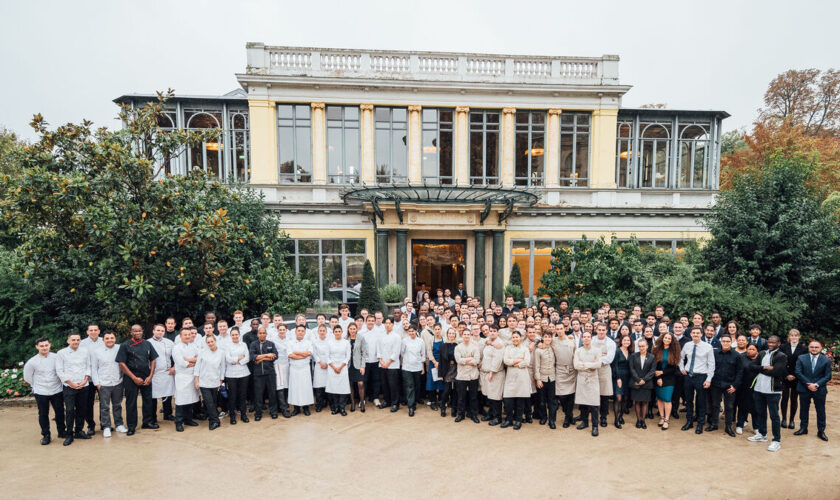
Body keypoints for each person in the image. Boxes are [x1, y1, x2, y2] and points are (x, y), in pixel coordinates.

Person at [116, 324, 159, 435]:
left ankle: (147, 422)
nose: (137, 333)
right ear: (131, 332)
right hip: (131, 377)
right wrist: (134, 378)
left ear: (142, 331)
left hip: (146, 375)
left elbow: (153, 360)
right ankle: (131, 426)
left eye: (139, 331)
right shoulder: (125, 345)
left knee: (148, 400)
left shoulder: (147, 344)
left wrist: (150, 376)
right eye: (135, 331)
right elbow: (121, 363)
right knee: (131, 402)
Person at [747, 335, 787, 452]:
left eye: (773, 342)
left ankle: (776, 440)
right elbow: (751, 366)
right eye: (769, 342)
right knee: (760, 412)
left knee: (774, 415)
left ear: (778, 344)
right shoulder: (762, 353)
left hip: (773, 390)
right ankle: (762, 434)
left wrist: (762, 369)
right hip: (759, 389)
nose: (770, 344)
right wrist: (765, 367)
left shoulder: (782, 356)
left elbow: (777, 371)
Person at [23, 337, 65, 445]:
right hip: (41, 391)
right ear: (37, 347)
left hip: (57, 389)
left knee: (60, 412)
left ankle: (62, 431)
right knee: (43, 414)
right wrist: (36, 385)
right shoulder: (32, 362)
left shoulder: (56, 357)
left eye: (46, 345)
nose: (44, 348)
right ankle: (46, 435)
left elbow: (61, 371)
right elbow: (27, 377)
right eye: (41, 346)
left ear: (49, 345)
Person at [55, 332, 92, 446]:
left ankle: (79, 431)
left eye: (78, 340)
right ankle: (69, 433)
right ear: (68, 341)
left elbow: (88, 366)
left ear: (80, 340)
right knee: (70, 410)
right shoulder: (61, 353)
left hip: (83, 385)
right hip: (69, 387)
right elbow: (59, 371)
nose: (76, 342)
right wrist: (71, 383)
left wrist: (85, 380)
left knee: (82, 409)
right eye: (73, 340)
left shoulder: (85, 351)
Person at [679, 326, 715, 434]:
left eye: (697, 333)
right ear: (690, 334)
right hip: (689, 376)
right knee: (688, 400)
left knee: (701, 401)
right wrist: (681, 368)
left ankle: (700, 423)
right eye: (693, 333)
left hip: (701, 376)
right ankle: (689, 421)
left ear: (701, 334)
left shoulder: (707, 347)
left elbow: (711, 364)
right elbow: (680, 357)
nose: (695, 334)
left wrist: (708, 379)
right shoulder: (687, 345)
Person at [794, 340, 831, 441]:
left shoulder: (826, 360)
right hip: (804, 388)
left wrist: (816, 384)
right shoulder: (801, 358)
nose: (814, 349)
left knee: (821, 410)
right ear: (808, 348)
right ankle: (803, 428)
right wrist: (809, 384)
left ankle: (821, 431)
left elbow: (828, 376)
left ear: (820, 348)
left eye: (816, 347)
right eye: (812, 347)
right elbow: (798, 372)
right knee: (803, 409)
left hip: (819, 389)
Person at [90, 331, 126, 438]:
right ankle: (106, 427)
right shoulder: (97, 352)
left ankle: (119, 424)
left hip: (117, 382)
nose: (110, 340)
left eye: (112, 338)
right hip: (103, 383)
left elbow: (123, 364)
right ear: (103, 339)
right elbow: (94, 369)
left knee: (117, 405)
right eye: (107, 338)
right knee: (104, 407)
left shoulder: (120, 348)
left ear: (115, 338)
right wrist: (97, 384)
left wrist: (122, 379)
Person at [709, 335, 743, 436]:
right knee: (715, 405)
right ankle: (714, 424)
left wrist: (735, 386)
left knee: (729, 406)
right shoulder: (714, 353)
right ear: (720, 342)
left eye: (728, 341)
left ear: (731, 342)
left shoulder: (736, 355)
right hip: (716, 384)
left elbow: (740, 372)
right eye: (723, 341)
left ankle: (728, 426)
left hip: (730, 385)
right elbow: (710, 366)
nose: (725, 343)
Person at [573, 331, 602, 436]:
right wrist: (591, 364)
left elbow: (598, 364)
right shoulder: (578, 351)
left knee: (594, 404)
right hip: (581, 378)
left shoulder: (597, 350)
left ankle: (595, 426)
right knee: (583, 402)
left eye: (588, 337)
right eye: (584, 337)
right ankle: (585, 422)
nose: (586, 338)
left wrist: (584, 364)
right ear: (582, 339)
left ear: (591, 338)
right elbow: (576, 365)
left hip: (593, 379)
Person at [195, 334, 225, 430]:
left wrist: (221, 380)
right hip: (204, 381)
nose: (210, 343)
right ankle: (214, 421)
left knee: (214, 402)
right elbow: (197, 367)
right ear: (206, 343)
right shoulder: (202, 352)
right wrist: (196, 380)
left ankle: (213, 418)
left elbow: (223, 367)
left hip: (215, 381)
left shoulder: (221, 353)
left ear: (215, 341)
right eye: (208, 342)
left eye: (212, 341)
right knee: (209, 402)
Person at [172, 329, 200, 432]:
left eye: (189, 334)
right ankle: (178, 422)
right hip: (182, 376)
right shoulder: (176, 348)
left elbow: (199, 357)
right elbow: (180, 361)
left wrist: (187, 359)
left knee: (190, 399)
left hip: (192, 376)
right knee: (181, 400)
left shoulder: (193, 346)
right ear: (180, 336)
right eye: (185, 335)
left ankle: (188, 419)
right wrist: (191, 361)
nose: (188, 336)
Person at [502, 331, 531, 430]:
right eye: (513, 337)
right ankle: (509, 420)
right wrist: (519, 360)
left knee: (520, 400)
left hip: (522, 377)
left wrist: (515, 363)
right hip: (510, 376)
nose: (515, 339)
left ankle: (518, 420)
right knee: (508, 400)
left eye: (517, 337)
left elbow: (527, 362)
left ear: (521, 338)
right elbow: (506, 361)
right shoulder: (508, 348)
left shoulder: (525, 348)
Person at [780, 328, 807, 429]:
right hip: (785, 376)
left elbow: (804, 364)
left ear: (799, 337)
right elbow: (781, 362)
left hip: (797, 377)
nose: (794, 337)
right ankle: (783, 419)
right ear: (789, 337)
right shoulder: (783, 347)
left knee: (794, 399)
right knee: (784, 398)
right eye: (792, 335)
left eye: (796, 335)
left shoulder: (804, 349)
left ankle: (791, 420)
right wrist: (786, 375)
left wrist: (795, 374)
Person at [249, 326, 279, 420]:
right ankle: (258, 413)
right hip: (258, 374)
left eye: (263, 333)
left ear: (266, 334)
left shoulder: (271, 344)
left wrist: (260, 358)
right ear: (258, 334)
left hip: (270, 373)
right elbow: (252, 357)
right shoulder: (253, 344)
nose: (262, 334)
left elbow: (275, 356)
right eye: (260, 333)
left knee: (272, 393)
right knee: (258, 394)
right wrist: (266, 355)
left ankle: (273, 412)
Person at [149, 324, 175, 424]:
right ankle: (152, 417)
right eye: (158, 330)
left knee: (168, 395)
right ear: (153, 331)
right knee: (153, 397)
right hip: (154, 373)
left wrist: (174, 367)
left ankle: (168, 415)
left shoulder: (169, 342)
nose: (160, 332)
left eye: (162, 331)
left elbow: (175, 356)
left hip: (167, 372)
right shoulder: (148, 342)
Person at [479, 325, 505, 426]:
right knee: (489, 395)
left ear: (498, 332)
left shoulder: (500, 343)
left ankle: (497, 417)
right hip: (486, 371)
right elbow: (483, 342)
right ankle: (491, 414)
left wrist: (492, 372)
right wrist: (489, 342)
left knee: (496, 396)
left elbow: (497, 359)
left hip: (495, 373)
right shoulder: (488, 340)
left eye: (494, 331)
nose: (492, 333)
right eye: (491, 331)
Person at [653, 332, 680, 431]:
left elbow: (674, 368)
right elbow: (654, 365)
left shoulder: (675, 351)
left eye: (669, 338)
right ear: (662, 338)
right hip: (657, 377)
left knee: (667, 399)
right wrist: (658, 377)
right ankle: (661, 417)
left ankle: (667, 420)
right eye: (666, 338)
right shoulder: (656, 350)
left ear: (672, 340)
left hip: (669, 378)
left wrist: (662, 373)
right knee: (659, 398)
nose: (667, 340)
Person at [79, 324, 102, 437]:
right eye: (91, 330)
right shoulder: (82, 343)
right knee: (88, 404)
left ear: (99, 331)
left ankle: (104, 423)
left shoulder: (104, 341)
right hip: (88, 379)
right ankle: (91, 425)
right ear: (87, 332)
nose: (93, 332)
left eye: (95, 330)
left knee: (104, 402)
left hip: (102, 378)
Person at [454, 330, 482, 423]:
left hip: (473, 375)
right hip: (461, 376)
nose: (466, 336)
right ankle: (460, 415)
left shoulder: (475, 347)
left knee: (473, 397)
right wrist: (470, 359)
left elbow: (477, 361)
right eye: (465, 334)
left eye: (468, 334)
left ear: (470, 335)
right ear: (462, 336)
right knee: (461, 397)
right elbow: (458, 360)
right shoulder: (458, 347)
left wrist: (465, 360)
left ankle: (473, 415)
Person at [552, 327, 577, 428]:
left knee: (571, 395)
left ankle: (567, 417)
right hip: (560, 370)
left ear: (564, 329)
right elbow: (541, 341)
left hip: (571, 370)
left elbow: (575, 355)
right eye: (557, 329)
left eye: (561, 328)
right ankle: (569, 414)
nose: (559, 330)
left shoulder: (571, 341)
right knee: (562, 395)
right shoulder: (553, 341)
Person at [591, 324, 616, 428]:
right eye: (599, 330)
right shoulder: (591, 340)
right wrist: (602, 355)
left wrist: (597, 358)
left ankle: (603, 417)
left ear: (606, 331)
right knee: (593, 395)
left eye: (603, 330)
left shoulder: (611, 342)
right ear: (596, 330)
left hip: (605, 371)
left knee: (604, 396)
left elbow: (609, 358)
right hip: (592, 370)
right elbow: (587, 355)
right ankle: (593, 416)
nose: (601, 332)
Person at [225, 328, 251, 424]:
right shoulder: (227, 346)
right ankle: (232, 416)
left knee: (243, 395)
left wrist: (235, 361)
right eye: (233, 335)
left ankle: (243, 415)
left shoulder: (243, 345)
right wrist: (239, 359)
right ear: (230, 336)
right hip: (231, 374)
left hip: (243, 373)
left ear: (239, 335)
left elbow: (247, 358)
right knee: (232, 395)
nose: (235, 336)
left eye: (236, 334)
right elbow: (228, 359)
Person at [629, 336, 656, 429]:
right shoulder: (633, 356)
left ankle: (643, 420)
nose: (641, 348)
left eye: (643, 346)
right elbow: (632, 369)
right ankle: (638, 420)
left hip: (647, 383)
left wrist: (644, 380)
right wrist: (638, 380)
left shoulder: (652, 357)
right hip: (636, 382)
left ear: (647, 346)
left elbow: (652, 371)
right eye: (639, 346)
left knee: (645, 402)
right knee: (637, 402)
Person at [287, 325, 314, 415]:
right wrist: (303, 355)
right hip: (294, 368)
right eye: (299, 330)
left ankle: (306, 408)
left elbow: (309, 353)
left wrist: (297, 353)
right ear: (295, 332)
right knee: (295, 388)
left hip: (305, 368)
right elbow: (290, 355)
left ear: (305, 332)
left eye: (302, 331)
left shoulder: (308, 342)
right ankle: (296, 408)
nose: (300, 332)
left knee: (305, 388)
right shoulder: (290, 342)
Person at [377, 318, 403, 412]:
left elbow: (396, 352)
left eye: (389, 323)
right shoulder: (381, 336)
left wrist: (388, 362)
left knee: (393, 385)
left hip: (392, 365)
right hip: (382, 364)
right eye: (386, 323)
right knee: (384, 384)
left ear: (392, 325)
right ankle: (387, 401)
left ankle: (395, 403)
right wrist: (381, 361)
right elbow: (378, 349)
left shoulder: (396, 336)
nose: (387, 325)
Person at [400, 325, 426, 417]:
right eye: (409, 331)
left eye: (413, 331)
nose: (411, 333)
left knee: (416, 385)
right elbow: (402, 353)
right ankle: (410, 407)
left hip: (417, 366)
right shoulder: (404, 341)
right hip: (407, 367)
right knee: (410, 386)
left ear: (416, 331)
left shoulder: (421, 341)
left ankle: (414, 401)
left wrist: (422, 367)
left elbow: (423, 355)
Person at [326, 325, 352, 416]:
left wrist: (340, 367)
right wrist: (334, 367)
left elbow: (348, 356)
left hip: (343, 367)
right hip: (332, 368)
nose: (337, 333)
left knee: (343, 389)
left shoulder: (346, 343)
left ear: (342, 332)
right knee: (334, 388)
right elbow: (327, 357)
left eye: (339, 331)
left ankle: (342, 408)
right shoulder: (329, 342)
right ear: (333, 333)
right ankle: (336, 407)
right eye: (336, 331)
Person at [735, 344, 760, 435]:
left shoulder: (760, 359)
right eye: (749, 349)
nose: (751, 351)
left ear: (757, 350)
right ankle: (739, 425)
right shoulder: (742, 358)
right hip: (743, 387)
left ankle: (756, 427)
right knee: (742, 406)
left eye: (753, 349)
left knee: (756, 408)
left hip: (757, 388)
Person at [534, 331, 558, 428]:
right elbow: (536, 366)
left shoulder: (553, 348)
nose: (548, 339)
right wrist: (538, 379)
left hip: (552, 377)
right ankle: (543, 417)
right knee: (542, 400)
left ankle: (552, 420)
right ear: (542, 338)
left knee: (552, 401)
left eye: (549, 337)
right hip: (542, 378)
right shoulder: (538, 350)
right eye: (546, 337)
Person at [269, 324, 292, 418]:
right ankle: (283, 409)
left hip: (288, 364)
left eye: (283, 329)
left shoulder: (289, 339)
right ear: (277, 330)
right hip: (277, 364)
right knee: (280, 386)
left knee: (286, 385)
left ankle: (284, 404)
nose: (282, 331)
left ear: (286, 330)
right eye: (280, 329)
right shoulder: (273, 340)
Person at [611, 335, 632, 429]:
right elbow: (614, 365)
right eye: (625, 340)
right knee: (618, 398)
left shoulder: (631, 352)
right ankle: (616, 420)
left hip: (628, 377)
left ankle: (621, 417)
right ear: (621, 341)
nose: (626, 342)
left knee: (625, 399)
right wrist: (618, 378)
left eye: (628, 340)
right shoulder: (617, 351)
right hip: (618, 376)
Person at [425, 323, 446, 411]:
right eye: (436, 329)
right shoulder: (430, 339)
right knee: (432, 383)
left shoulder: (444, 339)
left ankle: (441, 401)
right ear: (433, 330)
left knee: (441, 383)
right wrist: (435, 362)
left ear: (441, 330)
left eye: (438, 329)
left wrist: (440, 363)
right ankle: (433, 401)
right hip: (433, 364)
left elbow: (445, 352)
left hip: (442, 363)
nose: (437, 331)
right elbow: (429, 351)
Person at [347, 322, 367, 412]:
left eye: (354, 329)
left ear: (356, 329)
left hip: (358, 365)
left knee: (360, 384)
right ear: (348, 329)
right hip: (348, 365)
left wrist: (363, 366)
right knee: (350, 384)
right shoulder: (345, 339)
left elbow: (364, 353)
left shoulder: (361, 338)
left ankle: (362, 403)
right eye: (350, 329)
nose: (352, 330)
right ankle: (353, 403)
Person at [439, 329, 458, 417]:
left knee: (455, 392)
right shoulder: (443, 346)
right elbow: (441, 361)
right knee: (446, 391)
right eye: (450, 333)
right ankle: (443, 408)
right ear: (447, 334)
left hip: (456, 370)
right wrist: (440, 374)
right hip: (447, 370)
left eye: (453, 333)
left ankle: (454, 409)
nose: (451, 335)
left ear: (455, 335)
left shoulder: (457, 345)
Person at [311, 324, 330, 412]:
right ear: (318, 332)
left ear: (326, 332)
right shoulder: (314, 342)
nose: (322, 332)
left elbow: (331, 352)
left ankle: (327, 402)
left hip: (328, 364)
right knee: (318, 385)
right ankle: (319, 404)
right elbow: (314, 353)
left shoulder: (330, 341)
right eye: (320, 331)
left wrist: (327, 363)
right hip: (319, 364)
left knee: (327, 384)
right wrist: (320, 362)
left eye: (323, 331)